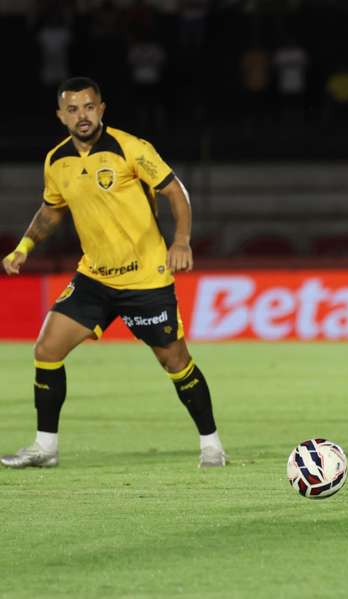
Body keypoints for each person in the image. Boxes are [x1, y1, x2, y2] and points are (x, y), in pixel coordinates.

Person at [0, 77, 227, 469]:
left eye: (89, 107)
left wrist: (182, 241)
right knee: (47, 349)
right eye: (72, 109)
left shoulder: (130, 148)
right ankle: (45, 447)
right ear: (61, 115)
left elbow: (176, 191)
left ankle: (211, 445)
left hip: (146, 278)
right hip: (95, 277)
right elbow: (52, 209)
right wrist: (23, 248)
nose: (82, 115)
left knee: (175, 361)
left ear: (101, 109)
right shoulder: (57, 160)